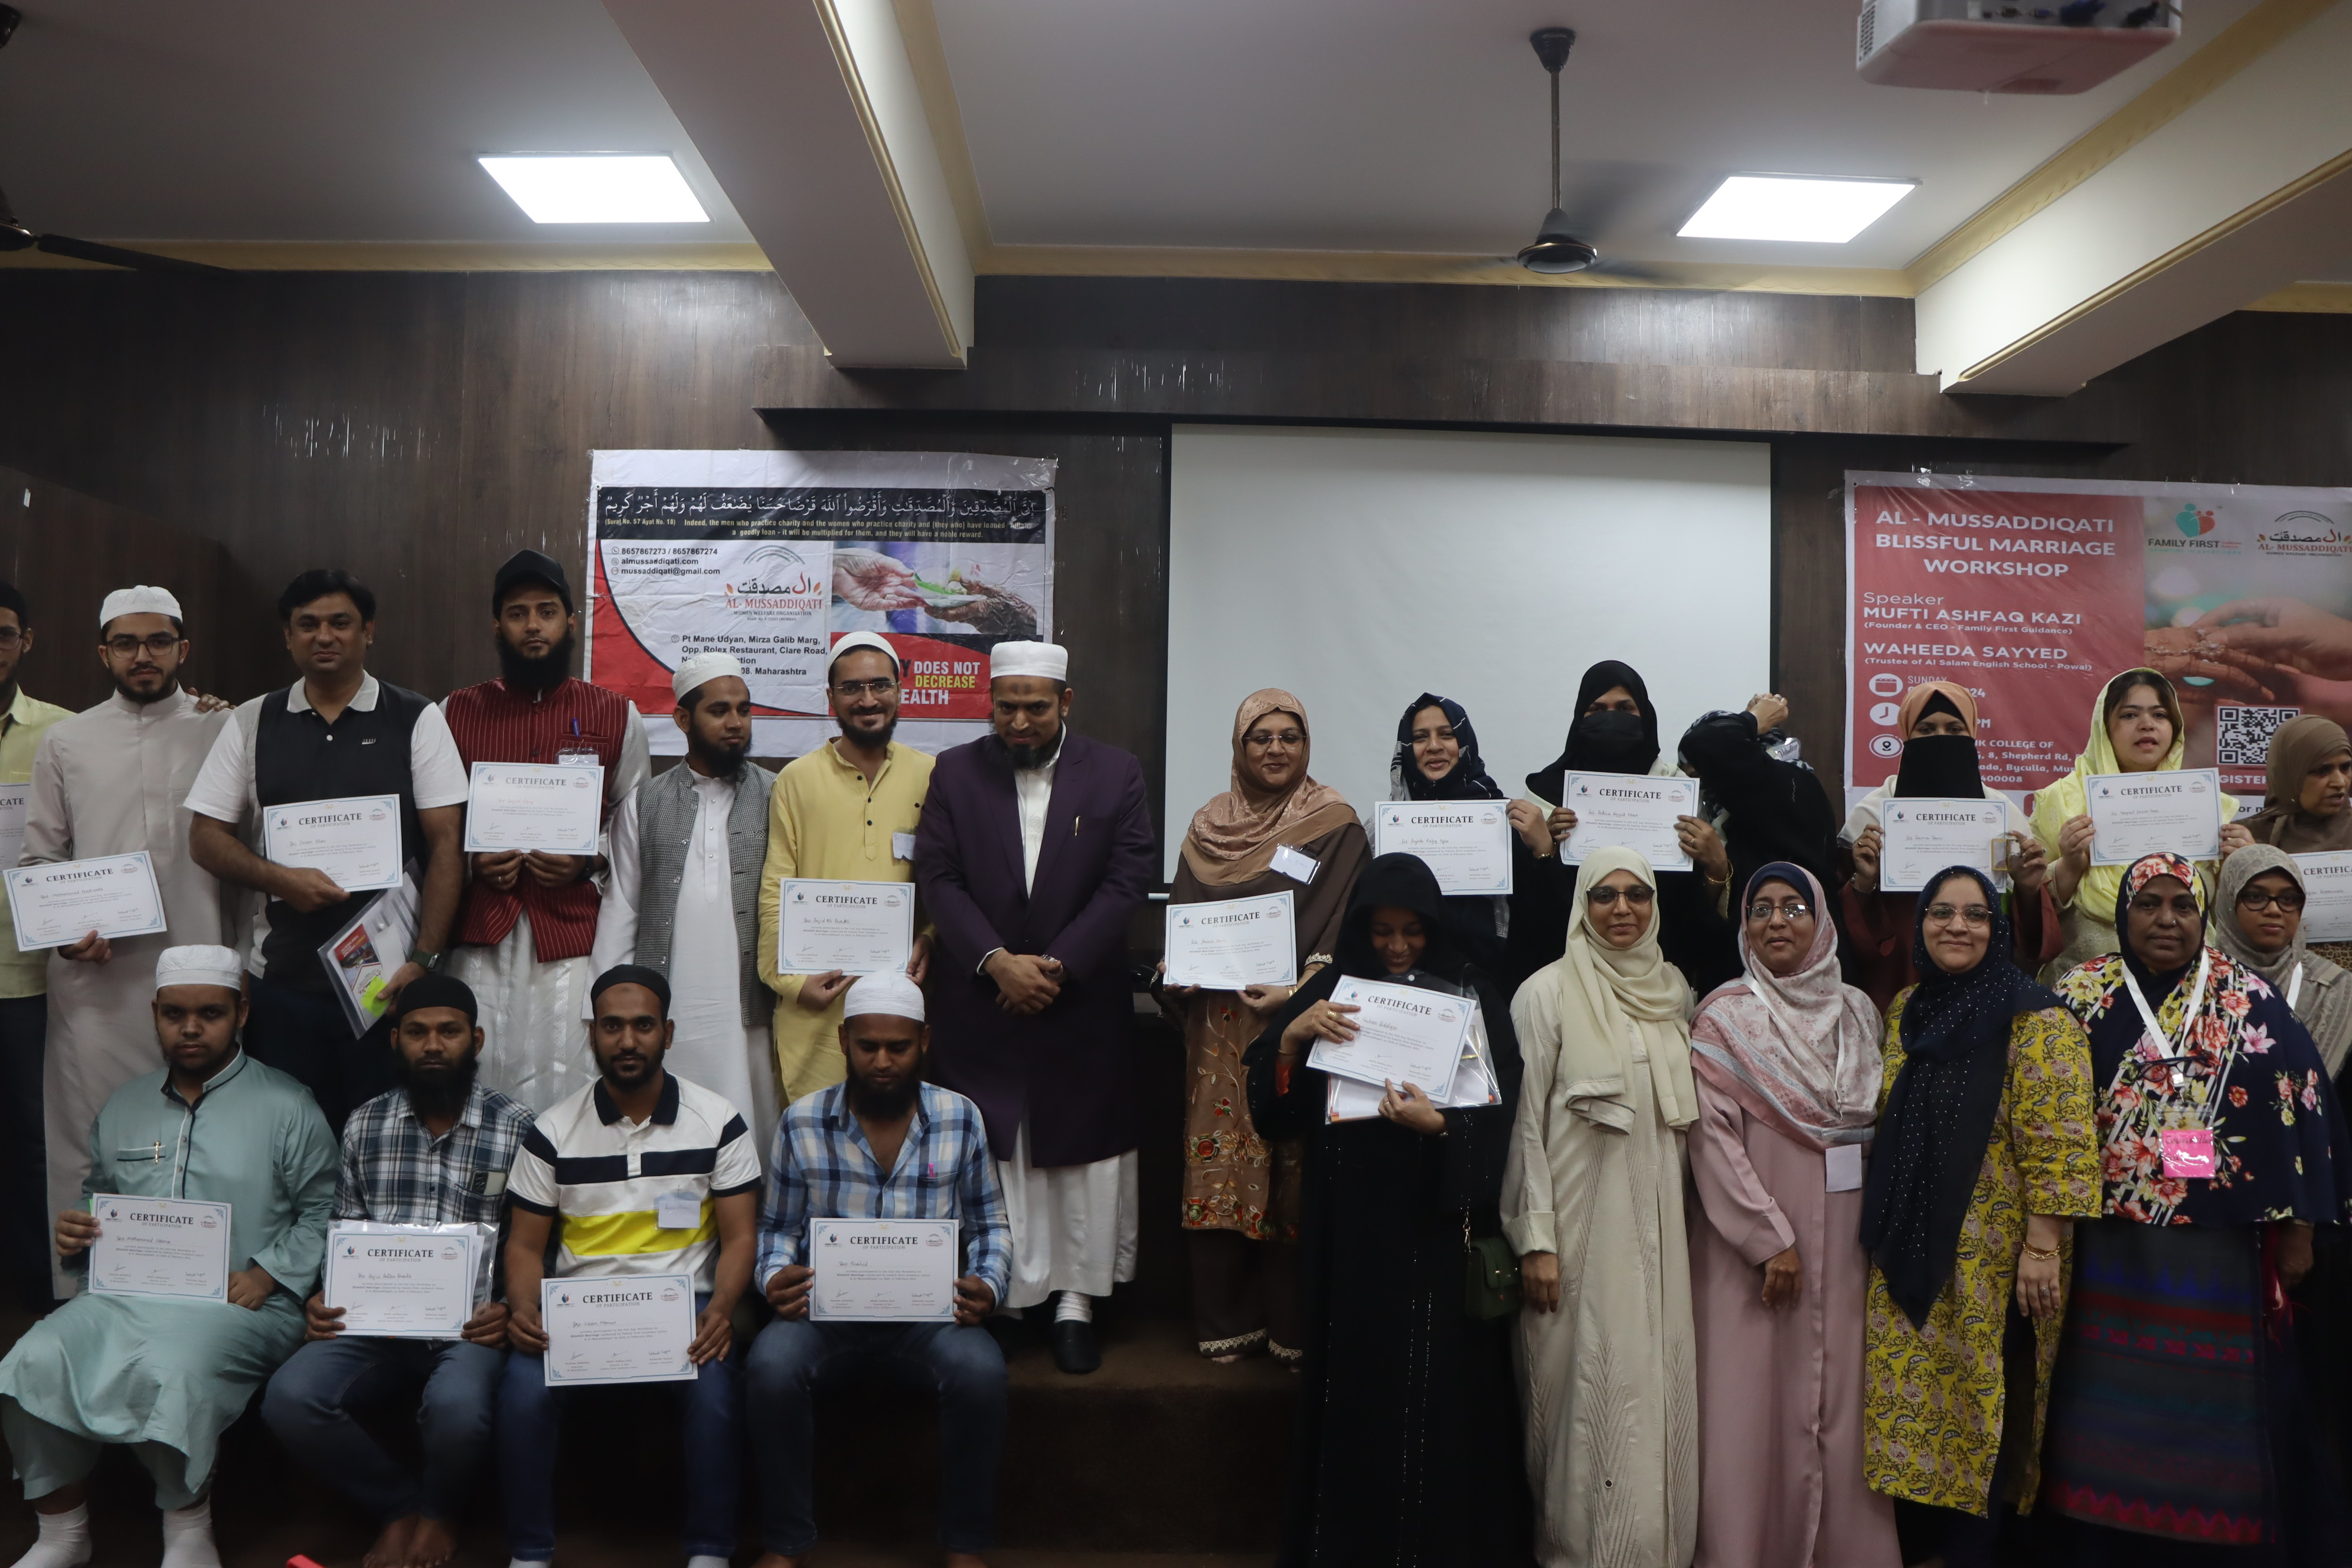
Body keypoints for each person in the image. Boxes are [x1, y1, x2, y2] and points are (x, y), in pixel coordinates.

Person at [2040, 852, 2352, 1562]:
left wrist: (2301, 1228)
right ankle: (2104, 1537)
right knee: (2105, 1405)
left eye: (2183, 905)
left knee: (2219, 1411)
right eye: (2149, 904)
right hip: (2105, 1248)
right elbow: (2041, 1108)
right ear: (2122, 912)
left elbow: (2304, 1107)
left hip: (2219, 1250)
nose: (2167, 919)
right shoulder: (2082, 992)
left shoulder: (2247, 997)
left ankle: (2212, 1539)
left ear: (2204, 915)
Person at [0, 945, 337, 1568]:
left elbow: (324, 1210)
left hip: (242, 1302)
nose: (190, 1028)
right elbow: (99, 1194)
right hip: (125, 1297)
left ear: (241, 1013)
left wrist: (268, 1273)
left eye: (210, 1013)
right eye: (175, 1013)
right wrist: (79, 1228)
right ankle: (62, 1534)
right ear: (155, 1014)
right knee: (29, 1361)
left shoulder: (288, 1105)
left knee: (174, 1365)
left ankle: (187, 1531)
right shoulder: (124, 1104)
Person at [1242, 852, 1531, 1567]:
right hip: (1350, 1229)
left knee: (1440, 1395)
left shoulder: (1472, 991)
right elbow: (1276, 1116)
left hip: (1437, 1229)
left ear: (1436, 927)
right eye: (1382, 932)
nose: (1398, 947)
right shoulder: (1332, 990)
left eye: (1413, 931)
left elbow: (1504, 1116)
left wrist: (1442, 1128)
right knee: (1356, 1392)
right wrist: (1292, 1037)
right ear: (1360, 929)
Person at [913, 641, 1155, 1376]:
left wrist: (1057, 964)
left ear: (1066, 702)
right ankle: (1008, 1298)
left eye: (1036, 707)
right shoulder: (955, 771)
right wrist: (995, 961)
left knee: (1080, 1155)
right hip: (982, 1001)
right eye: (1007, 706)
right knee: (1002, 1151)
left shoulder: (1116, 771)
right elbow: (938, 876)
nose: (1020, 721)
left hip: (1078, 1003)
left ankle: (1075, 1302)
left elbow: (1129, 876)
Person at [1858, 868, 2100, 1568]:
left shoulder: (2037, 1018)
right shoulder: (1909, 1008)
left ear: (1998, 928)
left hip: (1995, 1256)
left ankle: (1973, 1550)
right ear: (1921, 925)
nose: (1956, 927)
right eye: (1941, 912)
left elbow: (2062, 1140)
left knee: (1985, 1398)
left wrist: (2042, 1247)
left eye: (1976, 914)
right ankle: (1919, 1548)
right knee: (1914, 1401)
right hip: (1910, 1243)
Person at [260, 974, 532, 1568]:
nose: (432, 1045)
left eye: (449, 1031)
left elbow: (535, 1241)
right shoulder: (365, 1124)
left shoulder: (517, 1127)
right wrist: (324, 1295)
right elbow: (344, 1229)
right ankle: (397, 1505)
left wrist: (511, 1308)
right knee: (290, 1397)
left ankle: (440, 1511)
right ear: (395, 1041)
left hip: (470, 1327)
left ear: (476, 1040)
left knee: (457, 1407)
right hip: (374, 1326)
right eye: (417, 1032)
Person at [498, 964, 761, 1568]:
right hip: (579, 1311)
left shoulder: (717, 1121)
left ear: (668, 1033)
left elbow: (741, 1236)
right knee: (520, 1393)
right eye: (612, 1026)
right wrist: (525, 1308)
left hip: (686, 1306)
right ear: (592, 1033)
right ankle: (529, 1551)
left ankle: (710, 1550)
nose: (627, 1041)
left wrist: (722, 1310)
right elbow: (524, 1247)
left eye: (643, 1025)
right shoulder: (552, 1131)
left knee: (715, 1392)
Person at [185, 569, 468, 1129]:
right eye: (308, 625)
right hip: (283, 981)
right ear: (288, 637)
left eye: (340, 623)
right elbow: (205, 838)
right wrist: (281, 880)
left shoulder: (417, 717)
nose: (324, 636)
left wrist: (424, 961)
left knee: (384, 1139)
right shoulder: (251, 720)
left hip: (388, 986)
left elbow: (447, 845)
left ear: (368, 632)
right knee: (291, 1143)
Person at [747, 972, 1010, 1568]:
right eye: (868, 1046)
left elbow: (991, 1226)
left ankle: (964, 1544)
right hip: (824, 1317)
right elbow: (777, 1230)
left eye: (899, 1047)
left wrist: (988, 1286)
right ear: (844, 1041)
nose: (883, 1062)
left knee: (981, 1372)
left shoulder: (960, 1118)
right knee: (769, 1366)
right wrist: (774, 1277)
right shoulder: (801, 1122)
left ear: (925, 1042)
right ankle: (785, 1542)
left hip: (929, 1320)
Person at [21, 586, 232, 1299]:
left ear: (183, 649)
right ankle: (86, 1294)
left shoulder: (223, 728)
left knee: (202, 1131)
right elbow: (39, 860)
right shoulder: (67, 740)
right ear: (103, 653)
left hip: (201, 963)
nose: (144, 655)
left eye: (159, 641)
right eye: (127, 643)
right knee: (89, 1134)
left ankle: (189, 1288)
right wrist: (65, 936)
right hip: (97, 982)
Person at [1686, 864, 1897, 1568]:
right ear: (1744, 926)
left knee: (1843, 1405)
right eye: (1762, 909)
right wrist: (1767, 1238)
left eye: (1795, 907)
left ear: (1822, 923)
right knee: (1750, 1409)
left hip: (1847, 1249)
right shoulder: (1725, 1018)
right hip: (1752, 1258)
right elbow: (1711, 1139)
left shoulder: (1859, 1013)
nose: (1777, 921)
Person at [1504, 845, 1700, 1568]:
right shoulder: (1545, 994)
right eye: (1605, 895)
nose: (1622, 909)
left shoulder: (1674, 992)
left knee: (1656, 1383)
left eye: (1637, 894)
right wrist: (1536, 1238)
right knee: (1581, 1396)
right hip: (1576, 1233)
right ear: (1581, 905)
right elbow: (1523, 1126)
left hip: (1662, 1230)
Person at [1161, 688, 1367, 1364]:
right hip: (1216, 1026)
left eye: (1290, 737)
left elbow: (1344, 925)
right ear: (1240, 746)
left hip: (1294, 1020)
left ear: (1306, 746)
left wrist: (1298, 992)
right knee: (1220, 1160)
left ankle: (1290, 1326)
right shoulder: (1206, 827)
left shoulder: (1335, 824)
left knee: (1290, 1165)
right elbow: (1184, 918)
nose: (1276, 749)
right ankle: (1226, 1321)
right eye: (1261, 737)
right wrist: (1176, 966)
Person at [442, 550, 648, 1113]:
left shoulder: (617, 714)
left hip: (573, 931)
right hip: (483, 928)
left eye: (547, 612)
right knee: (484, 1061)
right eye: (517, 614)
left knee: (569, 1070)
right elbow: (435, 824)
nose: (533, 626)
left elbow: (632, 822)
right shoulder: (454, 712)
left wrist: (588, 860)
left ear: (571, 622)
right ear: (497, 626)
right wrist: (472, 862)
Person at [594, 652, 778, 1141]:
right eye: (719, 711)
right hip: (672, 1000)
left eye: (743, 710)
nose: (736, 723)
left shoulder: (778, 795)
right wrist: (607, 1006)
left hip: (751, 1005)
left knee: (753, 1110)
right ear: (682, 719)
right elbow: (622, 908)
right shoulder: (646, 802)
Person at [756, 631, 933, 1107]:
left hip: (903, 998)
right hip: (819, 1002)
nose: (868, 700)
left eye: (880, 685)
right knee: (820, 1133)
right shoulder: (796, 780)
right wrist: (793, 984)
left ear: (900, 690)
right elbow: (775, 888)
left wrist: (930, 939)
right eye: (852, 688)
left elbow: (950, 881)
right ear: (831, 697)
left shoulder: (933, 776)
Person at [1840, 681, 2058, 1012]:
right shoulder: (1872, 815)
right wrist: (1866, 881)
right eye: (1926, 730)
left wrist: (2027, 887)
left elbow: (2027, 933)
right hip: (1897, 976)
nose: (1941, 739)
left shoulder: (2003, 815)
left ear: (1972, 734)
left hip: (1983, 978)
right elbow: (1849, 928)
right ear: (1907, 736)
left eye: (1955, 730)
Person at [1522, 660, 1736, 995]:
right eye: (1597, 710)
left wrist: (1717, 866)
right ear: (1580, 717)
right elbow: (1535, 912)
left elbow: (1693, 911)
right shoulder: (1547, 795)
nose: (1611, 719)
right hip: (1571, 975)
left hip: (1660, 973)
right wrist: (1547, 849)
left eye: (1625, 709)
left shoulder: (1675, 789)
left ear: (1645, 716)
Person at [2027, 668, 2249, 975]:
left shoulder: (2206, 805)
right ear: (2104, 727)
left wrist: (2239, 867)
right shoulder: (2063, 801)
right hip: (2088, 986)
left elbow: (2222, 915)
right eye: (2130, 715)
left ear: (2175, 726)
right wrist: (2070, 865)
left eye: (2160, 715)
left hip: (2189, 982)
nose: (2147, 725)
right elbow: (2031, 914)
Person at [1383, 692, 1560, 989]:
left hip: (1496, 985)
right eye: (1420, 737)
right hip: (1408, 989)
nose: (1434, 746)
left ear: (1464, 742)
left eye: (1447, 734)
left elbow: (1544, 920)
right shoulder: (1385, 829)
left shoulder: (1509, 822)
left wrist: (1544, 849)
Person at [0, 582, 72, 1308]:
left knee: (29, 1135)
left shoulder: (64, 732)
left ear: (26, 641)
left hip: (26, 974)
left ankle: (32, 1282)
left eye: (3, 633)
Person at [1677, 692, 1844, 910]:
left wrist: (1753, 719)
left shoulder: (1794, 786)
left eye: (1705, 772)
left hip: (1798, 927)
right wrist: (1716, 869)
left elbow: (1704, 742)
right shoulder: (1722, 821)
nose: (1702, 787)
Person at [2213, 845, 2352, 1076]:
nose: (2274, 910)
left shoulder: (2332, 987)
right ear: (2229, 902)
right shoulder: (2198, 980)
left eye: (2288, 899)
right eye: (2255, 897)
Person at [2237, 713, 2352, 969]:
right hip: (2268, 979)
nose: (2339, 782)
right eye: (2322, 770)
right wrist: (2250, 862)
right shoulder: (2245, 839)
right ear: (2290, 772)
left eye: (2345, 768)